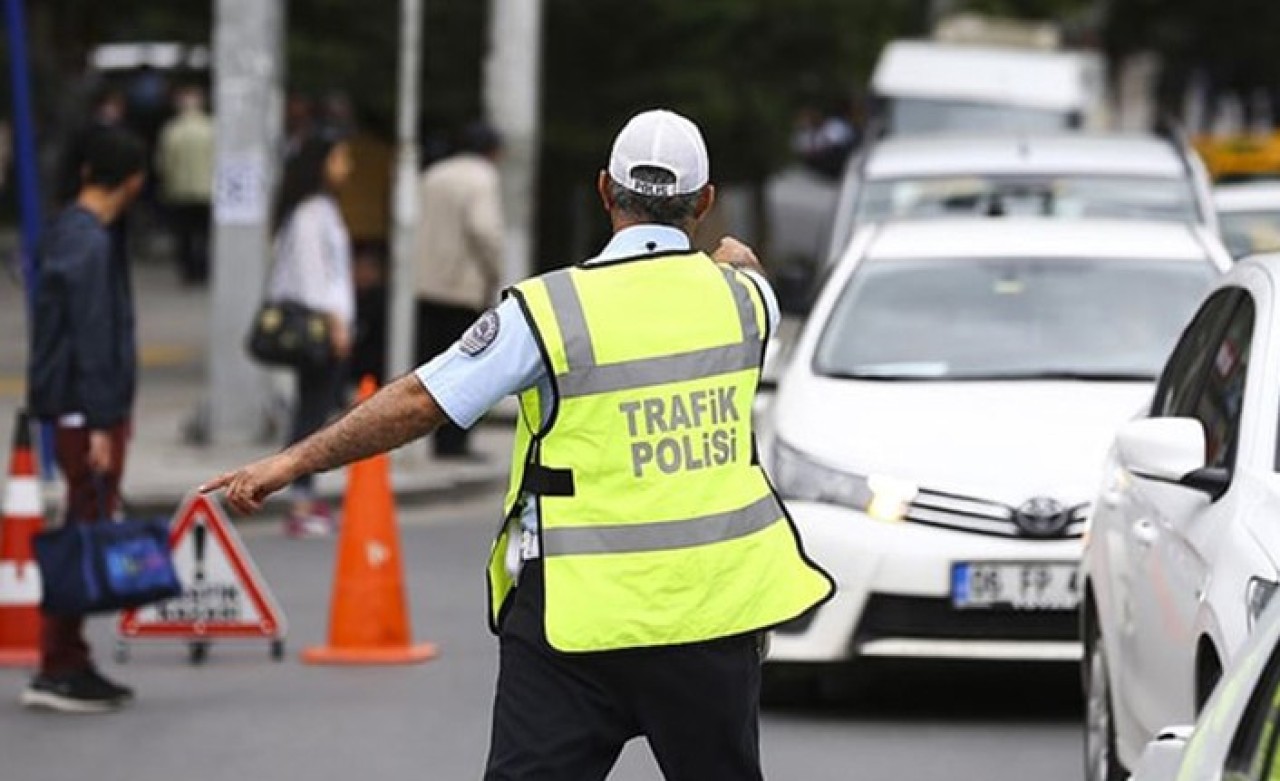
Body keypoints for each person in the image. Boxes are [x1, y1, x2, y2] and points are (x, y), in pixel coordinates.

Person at [204, 109, 834, 779]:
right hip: (711, 618)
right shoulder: (746, 302)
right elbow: (740, 266)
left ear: (603, 190)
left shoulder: (548, 311)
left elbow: (422, 400)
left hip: (573, 619)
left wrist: (293, 460)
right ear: (705, 202)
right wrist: (728, 258)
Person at [24, 128, 147, 713]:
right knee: (82, 530)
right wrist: (102, 423)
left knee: (83, 523)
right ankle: (60, 664)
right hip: (86, 412)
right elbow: (93, 338)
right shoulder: (90, 243)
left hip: (76, 408)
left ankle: (69, 657)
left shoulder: (68, 232)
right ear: (133, 181)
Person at [266, 134, 356, 538]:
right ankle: (299, 497)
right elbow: (312, 277)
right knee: (312, 412)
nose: (347, 166)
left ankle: (304, 492)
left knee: (315, 408)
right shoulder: (309, 213)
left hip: (327, 323)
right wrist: (336, 323)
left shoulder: (320, 208)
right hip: (319, 327)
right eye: (340, 157)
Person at [412, 121, 504, 459]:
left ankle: (436, 440)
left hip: (426, 283)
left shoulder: (433, 174)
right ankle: (455, 444)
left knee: (434, 366)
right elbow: (483, 228)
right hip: (462, 286)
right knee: (468, 368)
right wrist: (494, 269)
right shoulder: (482, 178)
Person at [156, 85, 215, 285]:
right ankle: (203, 268)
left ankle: (188, 269)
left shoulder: (172, 130)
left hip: (180, 190)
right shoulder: (211, 129)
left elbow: (165, 163)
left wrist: (167, 185)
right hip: (207, 190)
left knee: (184, 234)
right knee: (205, 233)